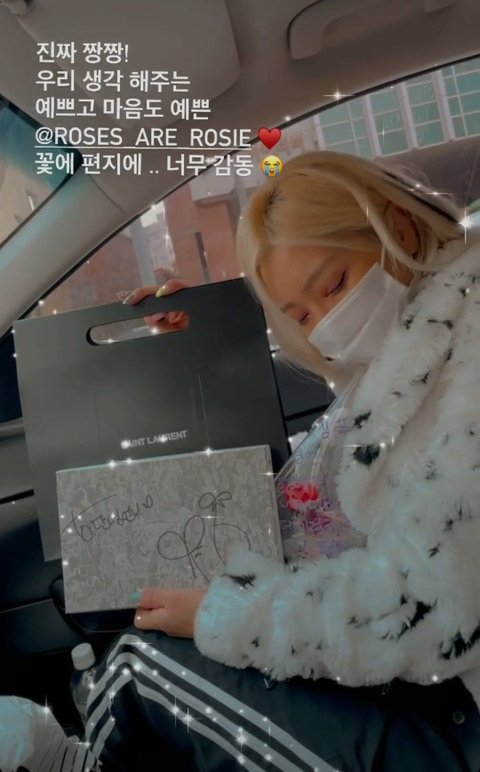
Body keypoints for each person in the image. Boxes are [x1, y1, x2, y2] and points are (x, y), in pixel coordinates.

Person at [85, 151, 480, 771]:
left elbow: (435, 606)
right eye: (300, 315)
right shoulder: (420, 335)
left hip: (456, 714)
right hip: (425, 674)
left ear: (397, 228)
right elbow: (345, 426)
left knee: (138, 665)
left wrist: (227, 614)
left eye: (333, 284)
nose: (327, 323)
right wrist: (207, 344)